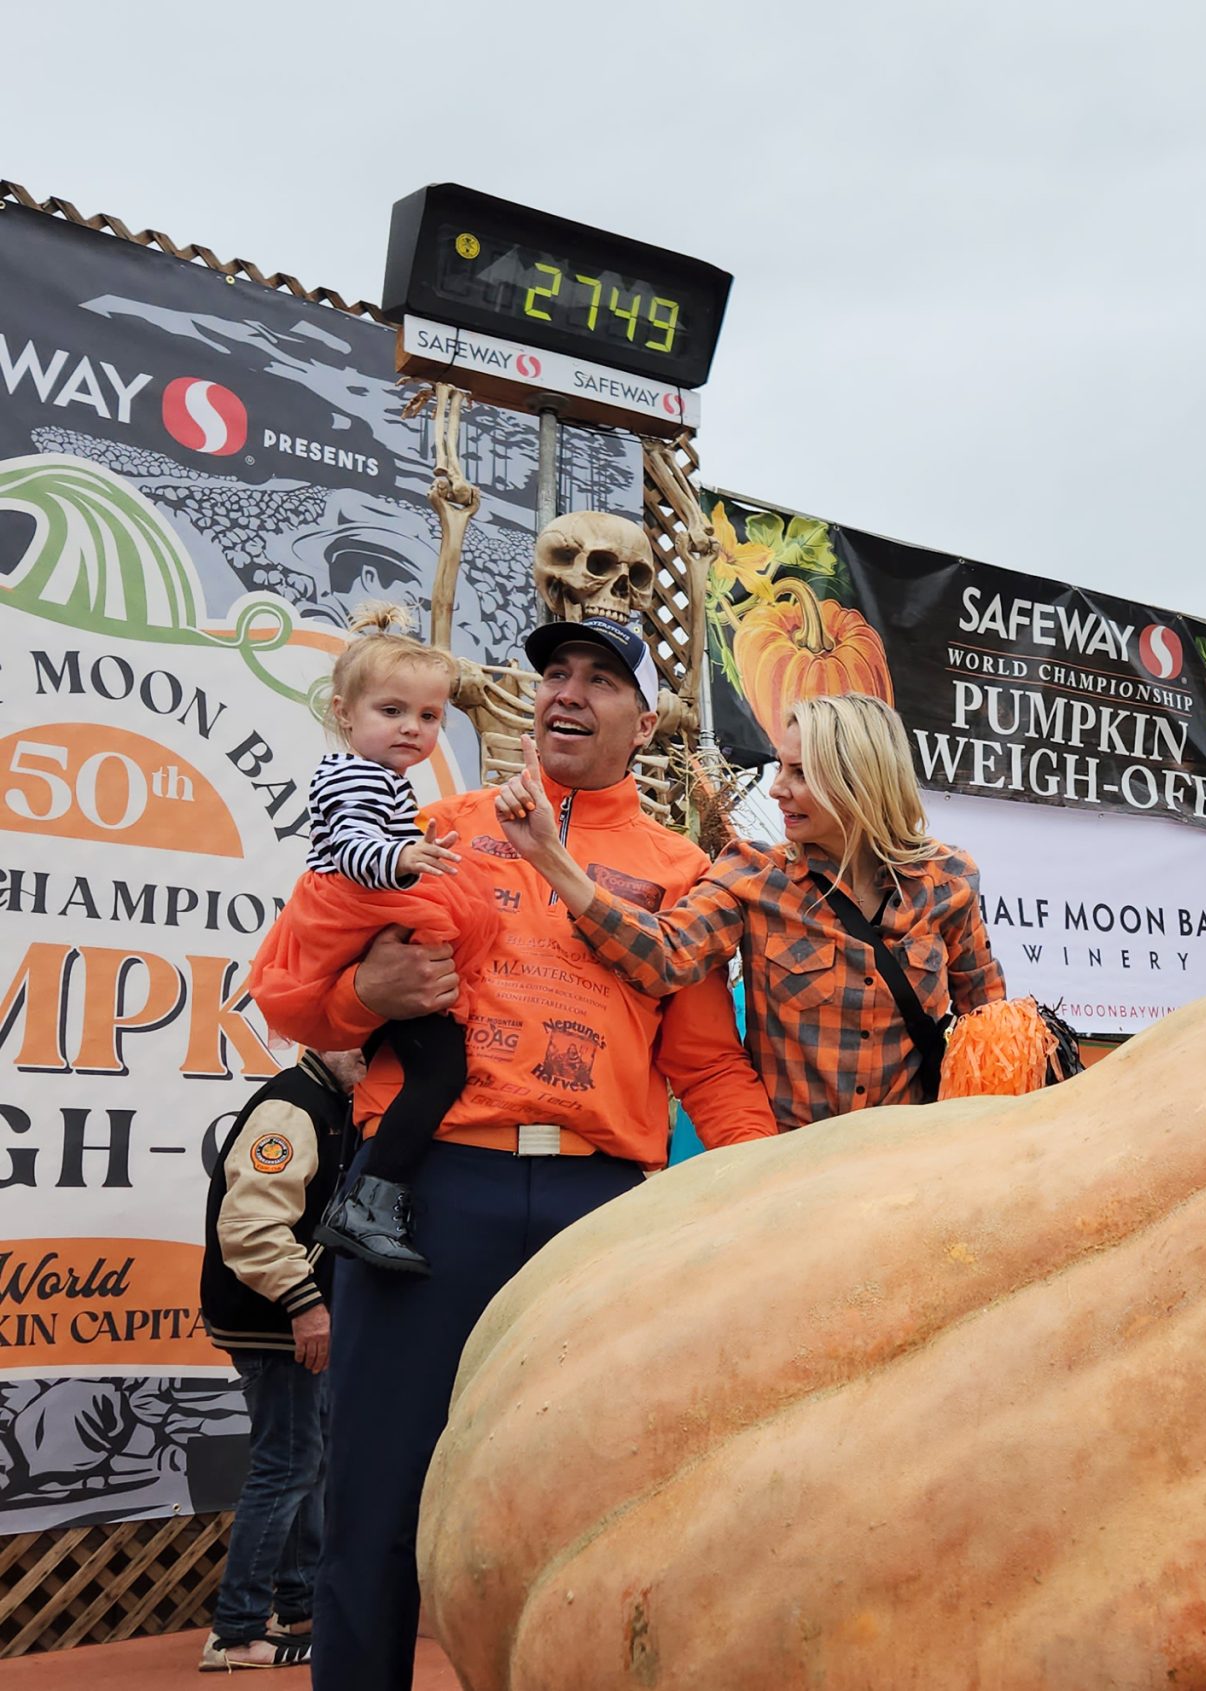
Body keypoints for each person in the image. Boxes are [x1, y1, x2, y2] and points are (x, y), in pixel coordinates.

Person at [252, 613, 781, 1691]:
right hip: (427, 1192)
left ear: (647, 718)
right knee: (375, 1498)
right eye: (555, 676)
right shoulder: (429, 825)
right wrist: (368, 992)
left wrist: (773, 1196)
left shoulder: (681, 869)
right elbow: (287, 995)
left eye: (599, 678)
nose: (567, 694)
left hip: (599, 1212)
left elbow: (710, 1070)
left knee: (600, 1507)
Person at [493, 691, 1003, 1128]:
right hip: (790, 1174)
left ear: (859, 780)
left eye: (800, 772)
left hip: (907, 1171)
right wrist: (550, 859)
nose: (778, 787)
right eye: (781, 766)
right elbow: (666, 957)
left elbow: (989, 1025)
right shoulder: (755, 874)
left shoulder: (947, 881)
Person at [249, 604, 500, 1276]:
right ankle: (368, 1203)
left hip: (366, 918)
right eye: (393, 711)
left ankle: (372, 1196)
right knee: (440, 1069)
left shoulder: (380, 780)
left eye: (428, 716)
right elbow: (357, 847)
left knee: (419, 1054)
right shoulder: (358, 776)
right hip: (359, 916)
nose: (413, 729)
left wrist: (414, 852)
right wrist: (403, 860)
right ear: (345, 712)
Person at [195, 1047, 363, 1671]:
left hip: (284, 1319)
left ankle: (298, 1608)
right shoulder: (295, 1106)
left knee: (305, 1461)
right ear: (327, 1038)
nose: (372, 1056)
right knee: (288, 1465)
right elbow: (251, 1224)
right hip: (276, 1322)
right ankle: (235, 1634)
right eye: (361, 1042)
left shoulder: (329, 1102)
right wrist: (305, 1303)